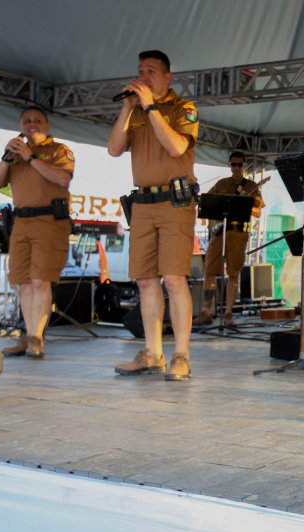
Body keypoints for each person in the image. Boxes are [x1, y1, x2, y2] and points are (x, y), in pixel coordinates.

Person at [107, 50, 199, 381]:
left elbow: (177, 148)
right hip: (142, 203)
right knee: (145, 280)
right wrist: (128, 108)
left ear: (167, 77)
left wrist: (150, 107)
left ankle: (181, 355)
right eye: (140, 70)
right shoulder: (135, 110)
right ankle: (152, 352)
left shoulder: (182, 108)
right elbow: (114, 148)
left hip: (175, 202)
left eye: (150, 71)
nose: (143, 76)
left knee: (173, 278)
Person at [0, 107, 74, 358]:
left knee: (40, 280)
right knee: (23, 283)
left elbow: (62, 180)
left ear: (47, 126)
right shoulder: (14, 155)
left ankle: (37, 338)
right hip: (21, 222)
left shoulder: (59, 151)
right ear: (21, 126)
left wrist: (30, 157)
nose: (32, 124)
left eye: (37, 121)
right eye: (26, 121)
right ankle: (28, 336)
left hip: (49, 220)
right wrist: (7, 157)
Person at [194, 151, 268, 326]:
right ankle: (206, 311)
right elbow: (208, 204)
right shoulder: (221, 184)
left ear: (244, 166)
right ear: (229, 165)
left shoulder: (251, 186)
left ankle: (227, 314)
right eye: (233, 164)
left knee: (233, 273)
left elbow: (258, 212)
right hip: (218, 233)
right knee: (209, 271)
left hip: (237, 234)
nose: (236, 168)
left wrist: (242, 205)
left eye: (239, 165)